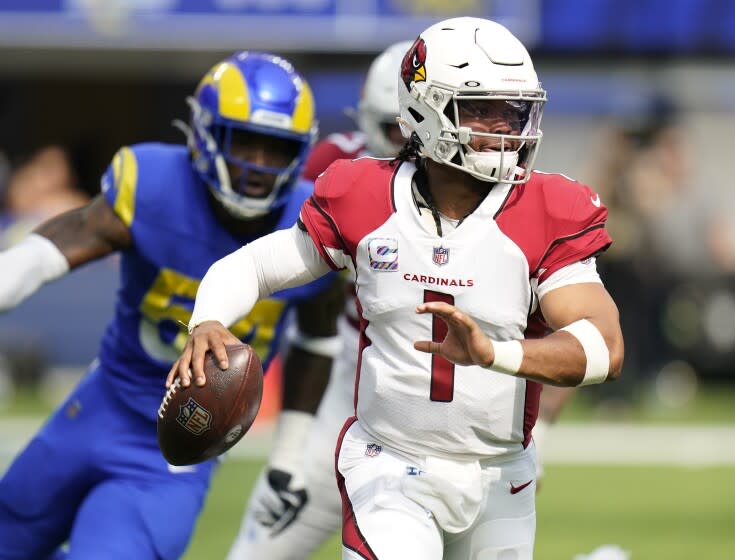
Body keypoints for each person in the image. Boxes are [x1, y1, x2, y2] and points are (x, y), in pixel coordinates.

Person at [171, 17, 624, 560]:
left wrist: (495, 353)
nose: (506, 128)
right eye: (483, 109)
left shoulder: (550, 209)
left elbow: (603, 345)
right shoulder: (361, 193)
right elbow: (253, 267)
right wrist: (208, 320)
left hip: (500, 476)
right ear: (426, 109)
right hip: (389, 464)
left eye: (515, 111)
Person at [0, 51, 342, 559]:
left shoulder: (314, 220)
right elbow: (55, 246)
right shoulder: (156, 185)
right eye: (243, 140)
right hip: (99, 407)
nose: (258, 164)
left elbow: (318, 338)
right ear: (204, 133)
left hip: (177, 451)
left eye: (276, 148)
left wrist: (289, 454)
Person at [227, 40, 412, 560]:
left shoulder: (491, 187)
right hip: (347, 387)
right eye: (396, 128)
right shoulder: (334, 166)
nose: (409, 145)